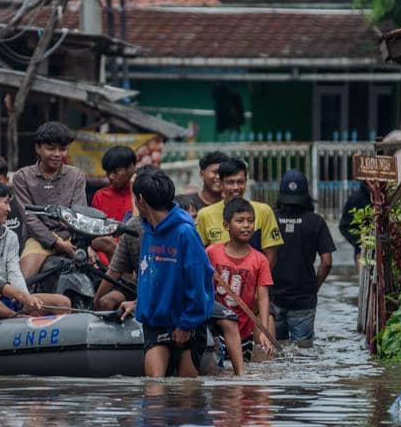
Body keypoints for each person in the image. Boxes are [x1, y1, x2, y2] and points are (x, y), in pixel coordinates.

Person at [118, 168, 215, 378]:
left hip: (186, 323)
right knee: (154, 392)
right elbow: (151, 276)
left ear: (140, 199)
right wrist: (138, 302)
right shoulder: (147, 231)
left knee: (187, 399)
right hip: (155, 321)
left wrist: (186, 324)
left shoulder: (185, 233)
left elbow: (198, 283)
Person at [0, 178, 72, 320]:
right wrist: (22, 297)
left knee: (63, 302)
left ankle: (17, 315)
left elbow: (14, 272)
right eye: (6, 203)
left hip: (8, 298)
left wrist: (26, 298)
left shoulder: (10, 236)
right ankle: (16, 318)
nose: (9, 209)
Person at [13, 121, 89, 279]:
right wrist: (56, 243)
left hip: (71, 237)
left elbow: (79, 214)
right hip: (38, 240)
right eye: (51, 148)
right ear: (38, 148)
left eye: (63, 149)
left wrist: (83, 243)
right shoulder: (22, 177)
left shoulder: (76, 176)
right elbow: (30, 219)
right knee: (22, 285)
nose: (57, 154)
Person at [206, 198, 276, 368]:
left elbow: (263, 298)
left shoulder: (260, 260)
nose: (246, 225)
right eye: (240, 220)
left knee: (238, 379)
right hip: (215, 329)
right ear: (226, 225)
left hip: (244, 332)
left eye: (250, 221)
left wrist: (264, 332)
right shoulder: (211, 253)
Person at [270, 169, 335, 343]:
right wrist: (314, 287)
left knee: (275, 348)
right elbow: (327, 262)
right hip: (304, 298)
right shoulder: (316, 221)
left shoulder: (270, 219)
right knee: (303, 352)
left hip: (273, 297)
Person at [193, 157, 284, 267]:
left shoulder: (264, 211)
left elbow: (271, 254)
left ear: (246, 182)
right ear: (221, 184)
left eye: (240, 182)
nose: (236, 187)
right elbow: (199, 254)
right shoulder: (205, 214)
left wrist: (258, 281)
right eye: (230, 182)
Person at [90, 146, 136, 222]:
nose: (111, 177)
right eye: (108, 172)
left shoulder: (142, 196)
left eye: (116, 171)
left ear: (131, 167)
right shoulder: (100, 196)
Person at [175, 150, 228, 215]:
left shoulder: (230, 206)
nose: (218, 177)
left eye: (222, 173)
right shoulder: (185, 203)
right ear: (201, 174)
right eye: (215, 172)